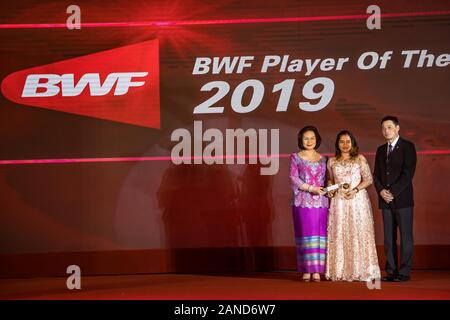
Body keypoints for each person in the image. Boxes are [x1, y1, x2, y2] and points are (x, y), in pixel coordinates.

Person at [325, 130, 381, 282]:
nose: (345, 145)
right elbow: (330, 180)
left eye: (348, 141)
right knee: (340, 232)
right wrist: (330, 190)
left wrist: (355, 190)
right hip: (339, 201)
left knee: (358, 232)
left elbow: (368, 179)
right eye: (341, 141)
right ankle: (341, 270)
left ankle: (360, 270)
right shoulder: (331, 161)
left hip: (357, 200)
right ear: (337, 144)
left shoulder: (359, 159)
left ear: (353, 143)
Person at [374, 116, 417, 282]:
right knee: (389, 238)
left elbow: (408, 174)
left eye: (390, 127)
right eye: (384, 128)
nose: (386, 131)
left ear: (397, 128)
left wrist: (392, 192)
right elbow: (376, 175)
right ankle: (391, 271)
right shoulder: (380, 150)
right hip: (385, 200)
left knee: (406, 237)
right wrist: (381, 191)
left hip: (403, 200)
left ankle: (404, 272)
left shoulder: (408, 147)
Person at [289, 126, 328, 282]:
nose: (309, 141)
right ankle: (306, 270)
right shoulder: (295, 157)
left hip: (321, 203)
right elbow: (293, 178)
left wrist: (328, 189)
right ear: (301, 140)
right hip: (302, 201)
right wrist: (311, 188)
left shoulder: (324, 159)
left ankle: (317, 271)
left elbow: (326, 180)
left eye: (312, 138)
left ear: (317, 139)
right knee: (305, 234)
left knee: (320, 235)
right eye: (306, 138)